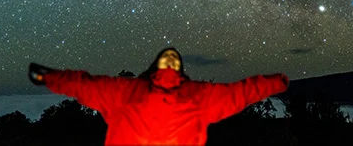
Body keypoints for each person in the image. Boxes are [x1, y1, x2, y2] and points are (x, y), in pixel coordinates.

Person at [29, 47, 289, 146]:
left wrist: (275, 83)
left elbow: (238, 93)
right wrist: (49, 77)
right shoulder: (127, 90)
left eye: (175, 58)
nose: (171, 56)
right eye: (166, 56)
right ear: (155, 65)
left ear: (180, 70)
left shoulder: (198, 95)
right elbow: (85, 85)